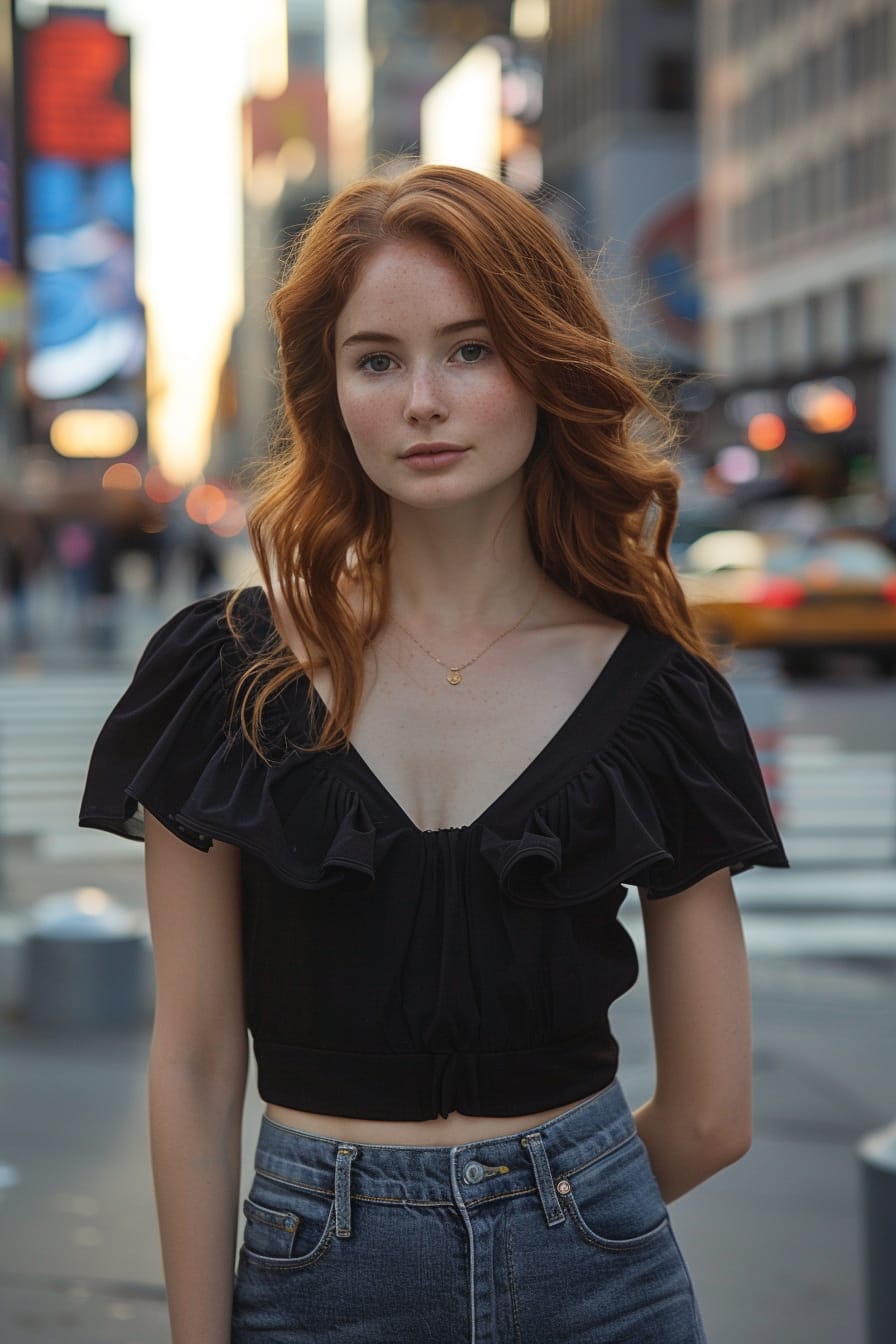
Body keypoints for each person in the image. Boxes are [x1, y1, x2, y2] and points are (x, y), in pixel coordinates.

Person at [80, 163, 788, 1344]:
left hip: (593, 1284)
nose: (422, 399)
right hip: (330, 1276)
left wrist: (542, 1220)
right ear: (331, 392)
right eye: (376, 359)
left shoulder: (654, 694)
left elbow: (715, 1116)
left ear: (542, 364)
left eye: (469, 349)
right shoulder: (226, 675)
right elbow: (194, 1065)